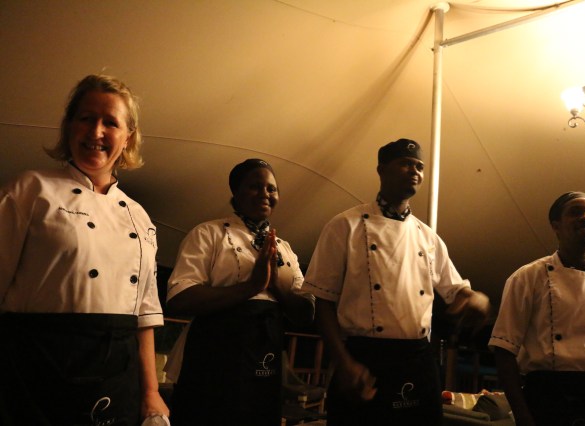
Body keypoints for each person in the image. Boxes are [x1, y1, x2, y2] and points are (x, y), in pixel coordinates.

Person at [0, 74, 169, 425]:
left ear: (128, 137)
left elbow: (145, 313)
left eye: (110, 122)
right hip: (37, 367)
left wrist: (151, 393)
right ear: (68, 127)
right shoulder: (29, 190)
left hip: (118, 374)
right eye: (86, 118)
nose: (96, 132)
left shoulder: (138, 216)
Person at [301, 138, 491, 425]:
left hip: (418, 359)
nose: (414, 171)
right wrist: (343, 362)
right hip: (365, 358)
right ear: (381, 170)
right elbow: (323, 301)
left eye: (419, 166)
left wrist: (477, 299)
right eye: (405, 164)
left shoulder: (428, 237)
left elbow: (458, 291)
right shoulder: (345, 225)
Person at [164, 158, 315, 426]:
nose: (265, 194)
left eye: (271, 188)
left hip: (264, 362)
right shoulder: (208, 233)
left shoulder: (286, 249)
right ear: (236, 192)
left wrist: (275, 285)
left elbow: (306, 313)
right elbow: (179, 298)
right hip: (211, 362)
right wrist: (250, 287)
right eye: (255, 186)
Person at [489, 191, 585, 426]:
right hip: (549, 400)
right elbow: (504, 352)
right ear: (556, 226)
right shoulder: (527, 278)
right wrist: (523, 416)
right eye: (576, 212)